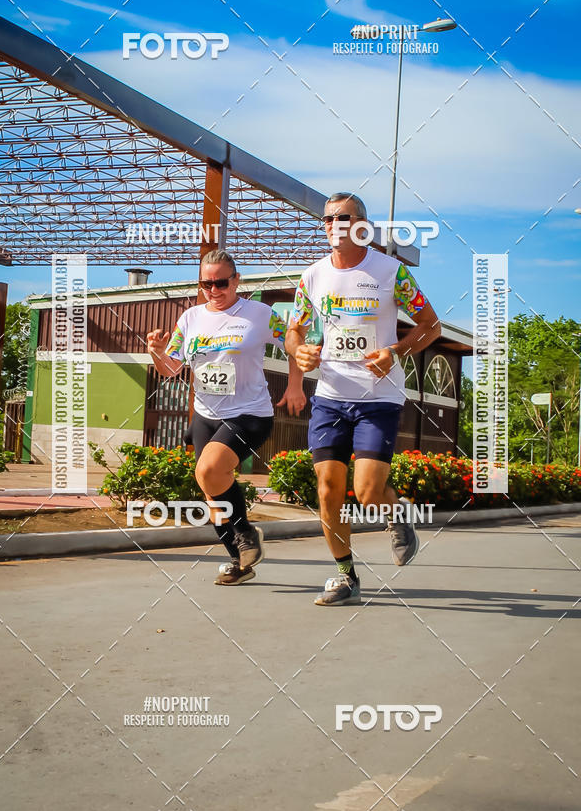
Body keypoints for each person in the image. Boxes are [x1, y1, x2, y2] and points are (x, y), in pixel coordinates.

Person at [285, 192, 440, 606]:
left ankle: (396, 513)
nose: (333, 223)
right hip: (331, 396)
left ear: (362, 226)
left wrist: (395, 351)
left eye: (343, 217)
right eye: (327, 218)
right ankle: (345, 576)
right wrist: (299, 351)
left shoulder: (391, 272)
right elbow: (294, 331)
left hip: (378, 396)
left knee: (368, 492)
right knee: (327, 490)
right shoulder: (312, 277)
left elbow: (430, 326)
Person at [147, 250, 306, 585]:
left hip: (249, 413)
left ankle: (247, 533)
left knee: (209, 470)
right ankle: (239, 560)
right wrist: (158, 353)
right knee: (211, 490)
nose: (214, 290)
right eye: (207, 283)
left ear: (237, 281)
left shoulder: (258, 314)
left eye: (221, 282)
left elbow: (294, 342)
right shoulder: (190, 319)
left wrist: (295, 385)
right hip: (206, 414)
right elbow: (172, 368)